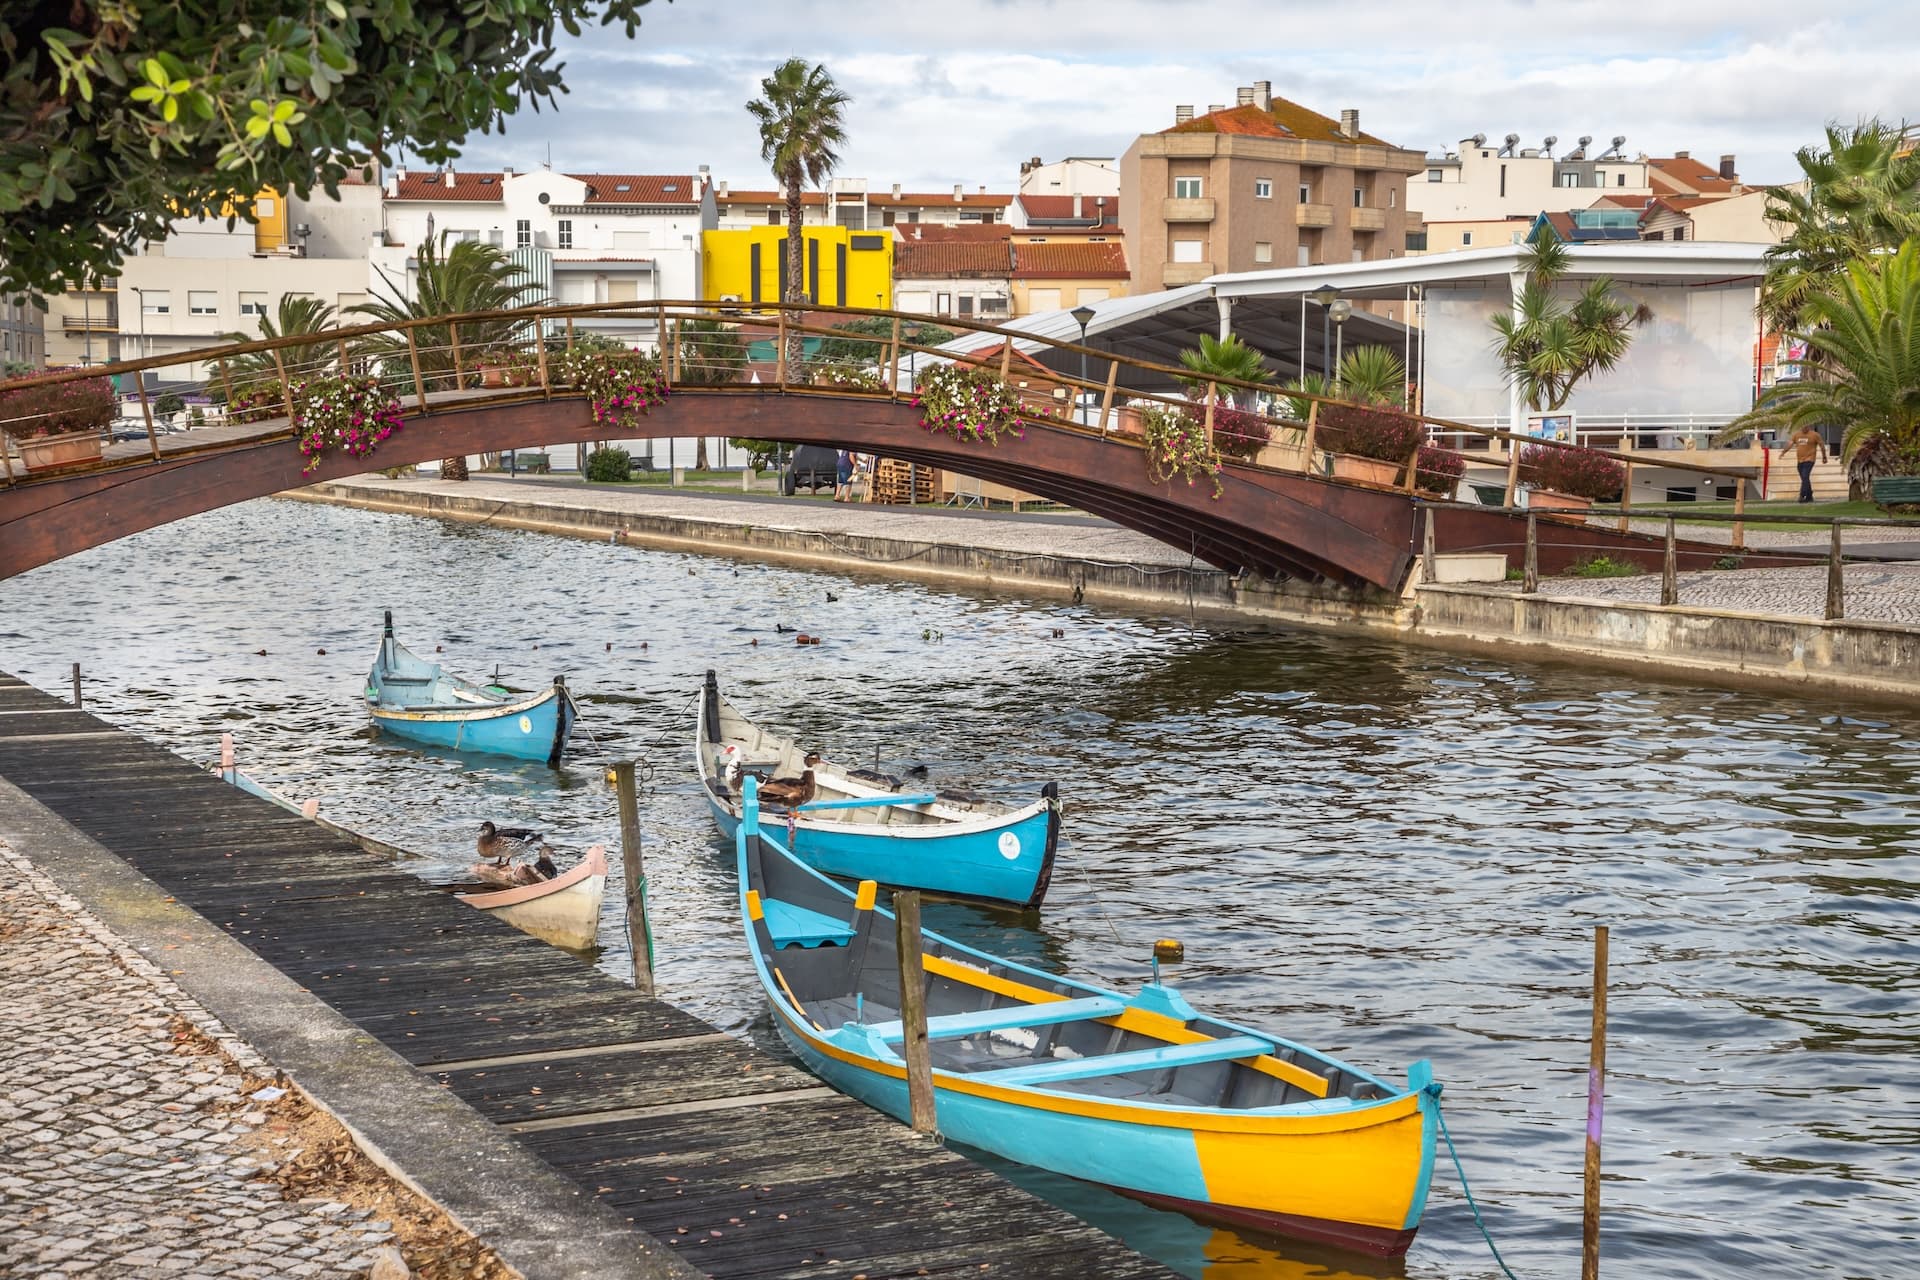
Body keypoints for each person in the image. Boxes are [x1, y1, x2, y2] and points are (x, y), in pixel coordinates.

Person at [1778, 425, 1829, 503]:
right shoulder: (1797, 435)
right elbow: (1790, 443)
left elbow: (1821, 445)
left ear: (1809, 426)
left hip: (1810, 459)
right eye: (1802, 426)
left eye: (1806, 426)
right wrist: (1783, 452)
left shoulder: (1815, 435)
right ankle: (1809, 496)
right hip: (1800, 460)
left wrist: (1824, 456)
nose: (1804, 428)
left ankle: (1802, 495)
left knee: (1805, 476)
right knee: (1805, 478)